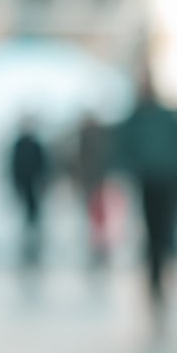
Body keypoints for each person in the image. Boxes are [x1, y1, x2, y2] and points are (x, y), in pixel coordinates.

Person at [114, 72, 177, 320]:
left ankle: (164, 276)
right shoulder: (137, 120)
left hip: (169, 183)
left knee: (165, 232)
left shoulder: (161, 119)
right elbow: (122, 147)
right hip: (149, 182)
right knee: (155, 235)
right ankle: (157, 280)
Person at [72, 113, 115, 267]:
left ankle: (99, 246)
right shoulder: (97, 137)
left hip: (94, 182)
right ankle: (99, 246)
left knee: (96, 216)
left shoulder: (87, 138)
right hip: (95, 181)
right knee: (97, 217)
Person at [7, 117, 51, 269]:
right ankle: (28, 246)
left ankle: (36, 246)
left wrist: (44, 183)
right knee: (26, 217)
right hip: (24, 185)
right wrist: (16, 184)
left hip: (35, 185)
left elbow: (44, 165)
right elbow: (14, 166)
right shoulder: (18, 145)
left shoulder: (36, 145)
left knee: (35, 216)